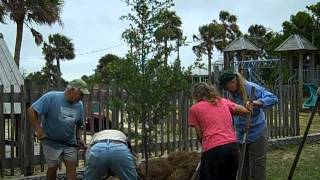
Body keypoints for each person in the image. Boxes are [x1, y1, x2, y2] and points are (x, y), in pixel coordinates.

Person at [219, 70, 278, 180]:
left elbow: (273, 98)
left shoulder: (251, 88)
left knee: (258, 167)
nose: (226, 90)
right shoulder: (231, 93)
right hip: (241, 135)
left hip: (257, 133)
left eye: (226, 87)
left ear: (233, 82)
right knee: (242, 168)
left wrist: (256, 103)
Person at [28, 79, 90, 180]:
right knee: (53, 169)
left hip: (70, 143)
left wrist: (79, 138)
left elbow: (79, 125)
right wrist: (38, 129)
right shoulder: (51, 97)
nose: (82, 97)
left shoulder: (79, 105)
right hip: (51, 143)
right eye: (81, 93)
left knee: (72, 167)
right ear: (72, 89)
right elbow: (31, 110)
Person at [188, 82, 252, 180]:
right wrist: (248, 108)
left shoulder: (194, 109)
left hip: (212, 150)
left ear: (196, 95)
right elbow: (244, 110)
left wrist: (206, 146)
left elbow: (199, 135)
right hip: (232, 148)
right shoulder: (223, 101)